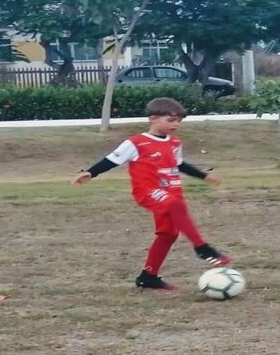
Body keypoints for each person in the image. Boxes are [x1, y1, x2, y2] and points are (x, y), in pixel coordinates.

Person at [71, 98, 232, 290]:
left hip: (172, 191)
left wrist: (204, 176)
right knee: (175, 206)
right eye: (171, 120)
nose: (176, 125)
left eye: (179, 121)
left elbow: (179, 164)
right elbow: (112, 160)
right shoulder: (136, 142)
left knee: (168, 234)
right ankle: (202, 248)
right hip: (148, 191)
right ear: (153, 118)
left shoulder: (174, 143)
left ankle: (148, 276)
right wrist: (91, 172)